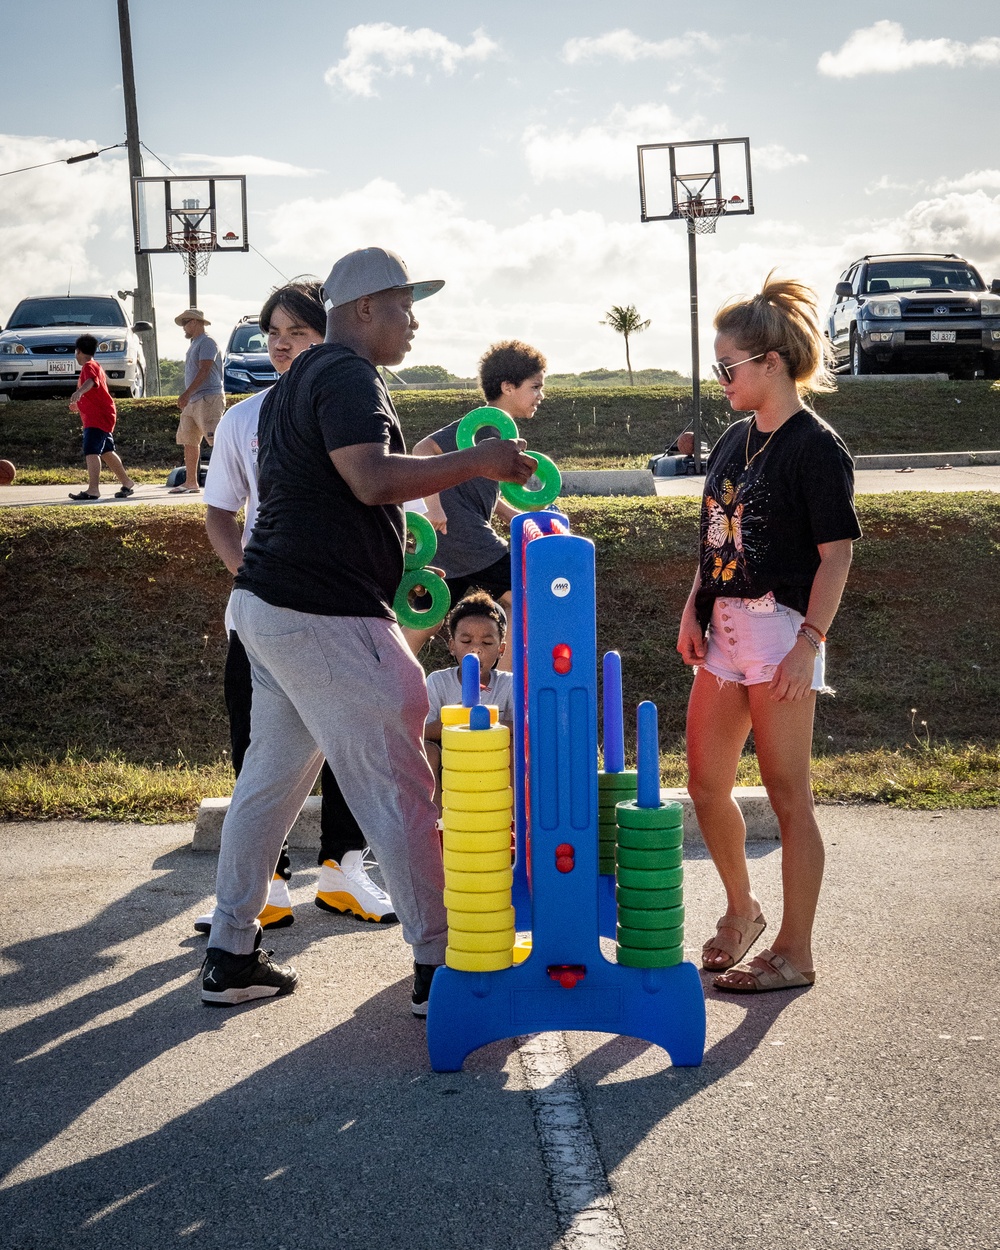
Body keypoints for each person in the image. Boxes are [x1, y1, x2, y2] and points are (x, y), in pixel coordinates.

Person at [200, 246, 536, 1012]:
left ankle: (230, 952)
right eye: (403, 306)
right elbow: (370, 478)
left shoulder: (297, 386)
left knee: (270, 784)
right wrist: (474, 459)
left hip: (268, 606)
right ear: (362, 311)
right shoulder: (346, 374)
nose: (413, 322)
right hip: (323, 613)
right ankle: (441, 967)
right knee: (402, 782)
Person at [675, 274, 861, 995]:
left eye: (729, 367)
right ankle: (742, 910)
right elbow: (715, 537)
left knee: (788, 797)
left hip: (782, 631)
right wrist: (694, 604)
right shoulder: (733, 437)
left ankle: (796, 951)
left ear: (772, 364)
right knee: (704, 781)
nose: (720, 379)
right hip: (722, 629)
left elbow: (836, 553)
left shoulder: (816, 447)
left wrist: (808, 642)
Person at [198, 279, 395, 936]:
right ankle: (266, 889)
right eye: (273, 334)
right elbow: (221, 513)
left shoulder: (350, 400)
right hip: (266, 614)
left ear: (329, 335)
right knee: (259, 755)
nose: (282, 346)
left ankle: (343, 870)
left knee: (349, 746)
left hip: (340, 611)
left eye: (298, 333)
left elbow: (382, 488)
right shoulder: (242, 418)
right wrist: (249, 575)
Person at [403, 339, 547, 669]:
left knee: (428, 617)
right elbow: (424, 449)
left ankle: (388, 685)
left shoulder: (497, 430)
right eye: (535, 386)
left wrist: (510, 513)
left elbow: (475, 485)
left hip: (451, 540)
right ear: (508, 387)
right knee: (524, 598)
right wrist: (433, 506)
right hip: (464, 536)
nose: (541, 394)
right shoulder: (487, 422)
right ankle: (505, 691)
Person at [423, 590, 515, 813]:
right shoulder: (438, 681)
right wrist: (459, 721)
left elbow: (522, 726)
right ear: (452, 645)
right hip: (452, 762)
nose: (476, 649)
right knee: (427, 751)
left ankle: (512, 819)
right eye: (466, 641)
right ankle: (436, 823)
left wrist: (486, 723)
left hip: (492, 761)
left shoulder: (509, 683)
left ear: (501, 649)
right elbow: (422, 730)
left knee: (514, 749)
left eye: (487, 642)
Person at [67, 334, 135, 501]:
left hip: (97, 418)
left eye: (76, 353)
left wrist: (78, 392)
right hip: (102, 416)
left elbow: (91, 382)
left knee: (91, 451)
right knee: (106, 452)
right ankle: (127, 482)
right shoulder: (95, 365)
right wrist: (79, 403)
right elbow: (94, 390)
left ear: (79, 351)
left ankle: (93, 490)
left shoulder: (89, 366)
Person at [171, 309, 225, 495]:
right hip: (193, 399)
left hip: (208, 397)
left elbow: (205, 370)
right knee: (189, 440)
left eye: (185, 323)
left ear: (195, 322)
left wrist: (186, 393)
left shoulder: (208, 342)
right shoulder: (195, 343)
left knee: (216, 440)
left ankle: (227, 481)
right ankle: (190, 482)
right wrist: (188, 396)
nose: (183, 328)